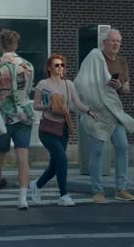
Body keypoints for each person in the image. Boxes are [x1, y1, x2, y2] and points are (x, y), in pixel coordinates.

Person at [74, 29, 134, 203]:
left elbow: (126, 89)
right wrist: (87, 107)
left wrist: (118, 86)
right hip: (96, 112)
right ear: (105, 42)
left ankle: (121, 188)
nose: (116, 44)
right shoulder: (94, 57)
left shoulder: (122, 61)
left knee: (123, 147)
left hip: (113, 111)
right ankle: (97, 191)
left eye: (119, 41)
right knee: (98, 151)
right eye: (113, 41)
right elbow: (82, 82)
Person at [32, 53, 100, 206]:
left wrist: (89, 111)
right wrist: (48, 106)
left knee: (55, 165)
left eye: (62, 65)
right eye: (56, 65)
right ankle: (64, 195)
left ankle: (36, 185)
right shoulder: (43, 84)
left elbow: (77, 103)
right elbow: (35, 105)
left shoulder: (69, 84)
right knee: (62, 159)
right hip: (48, 129)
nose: (60, 68)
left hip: (63, 128)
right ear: (49, 67)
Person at [0, 30, 35, 209]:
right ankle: (22, 198)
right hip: (24, 115)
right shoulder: (27, 66)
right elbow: (28, 89)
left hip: (2, 117)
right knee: (23, 158)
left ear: (1, 45)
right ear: (16, 45)